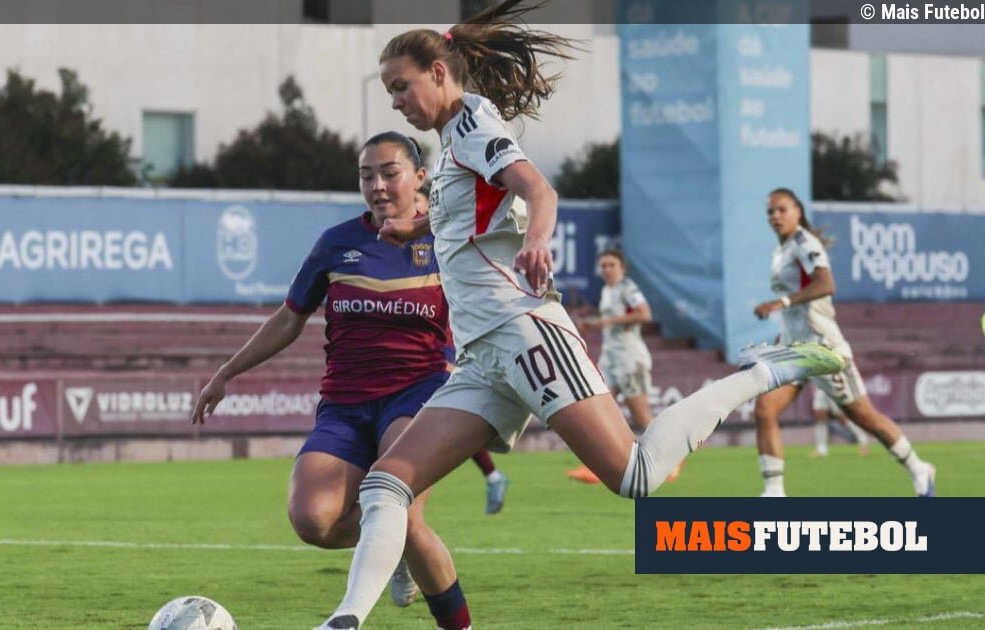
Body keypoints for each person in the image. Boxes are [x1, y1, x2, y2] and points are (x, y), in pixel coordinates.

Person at [313, 4, 844, 628]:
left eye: (401, 86)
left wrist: (538, 241)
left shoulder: (474, 123)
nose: (396, 101)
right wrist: (418, 227)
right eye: (389, 92)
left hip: (523, 332)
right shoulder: (454, 138)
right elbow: (473, 215)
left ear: (436, 72)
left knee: (636, 475)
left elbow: (539, 189)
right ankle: (346, 619)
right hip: (483, 356)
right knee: (386, 484)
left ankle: (763, 373)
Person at [192, 131, 475, 628]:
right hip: (345, 404)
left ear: (419, 177)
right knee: (312, 520)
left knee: (403, 514)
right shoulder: (337, 243)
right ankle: (390, 549)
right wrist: (227, 371)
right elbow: (289, 318)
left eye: (389, 173)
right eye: (366, 176)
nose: (377, 185)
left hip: (419, 393)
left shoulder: (446, 241)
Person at [751, 187, 937, 498]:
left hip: (822, 349)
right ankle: (774, 493)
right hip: (794, 348)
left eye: (782, 209)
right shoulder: (781, 250)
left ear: (798, 211)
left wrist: (780, 302)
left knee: (863, 416)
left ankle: (919, 467)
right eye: (770, 211)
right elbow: (797, 309)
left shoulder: (804, 243)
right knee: (764, 409)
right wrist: (782, 335)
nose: (775, 216)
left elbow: (826, 284)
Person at [418, 184, 511, 515]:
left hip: (444, 349)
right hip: (419, 351)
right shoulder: (399, 247)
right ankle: (493, 475)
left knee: (438, 420)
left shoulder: (446, 246)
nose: (417, 212)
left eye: (421, 203)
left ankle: (493, 475)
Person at [568, 250, 679, 485]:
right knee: (597, 411)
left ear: (622, 268)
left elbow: (644, 314)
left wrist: (610, 321)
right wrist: (594, 324)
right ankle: (595, 466)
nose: (607, 269)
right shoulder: (608, 291)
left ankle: (672, 456)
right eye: (603, 265)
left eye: (612, 265)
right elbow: (612, 322)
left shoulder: (628, 288)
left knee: (641, 415)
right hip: (611, 358)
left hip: (630, 358)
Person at [810, 389, 871, 458]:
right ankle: (821, 450)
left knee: (842, 418)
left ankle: (863, 440)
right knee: (820, 418)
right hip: (820, 389)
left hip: (832, 388)